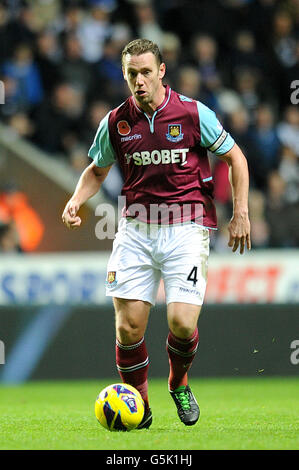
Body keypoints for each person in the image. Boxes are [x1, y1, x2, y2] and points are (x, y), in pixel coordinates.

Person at [62, 38, 251, 429]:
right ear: (125, 75)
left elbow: (235, 158)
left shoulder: (194, 114)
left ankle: (178, 382)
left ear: (161, 71)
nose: (139, 80)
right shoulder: (115, 122)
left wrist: (241, 211)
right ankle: (141, 409)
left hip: (186, 226)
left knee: (181, 323)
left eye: (146, 72)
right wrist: (75, 199)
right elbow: (97, 170)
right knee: (128, 327)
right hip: (136, 230)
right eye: (132, 73)